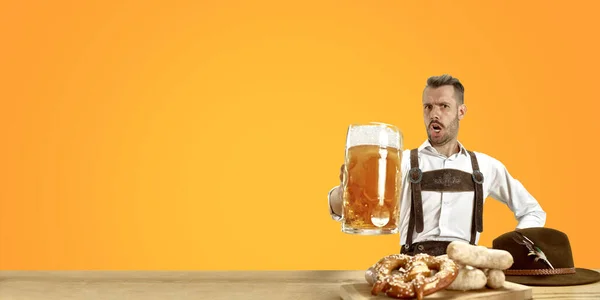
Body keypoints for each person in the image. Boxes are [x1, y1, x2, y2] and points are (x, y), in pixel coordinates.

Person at [327, 74, 546, 256]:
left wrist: (516, 250)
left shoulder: (486, 166)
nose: (434, 114)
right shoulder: (399, 162)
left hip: (468, 269)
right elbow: (341, 211)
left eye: (443, 106)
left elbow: (533, 211)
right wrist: (345, 190)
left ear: (461, 111)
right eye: (428, 107)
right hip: (412, 268)